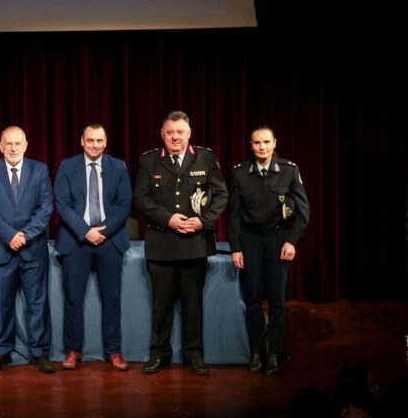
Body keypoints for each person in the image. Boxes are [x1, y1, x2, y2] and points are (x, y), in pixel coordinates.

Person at [134, 110, 228, 375]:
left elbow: (221, 195)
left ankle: (194, 354)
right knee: (161, 305)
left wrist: (203, 221)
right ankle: (159, 353)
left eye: (180, 132)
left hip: (194, 242)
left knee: (192, 305)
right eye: (170, 132)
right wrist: (168, 219)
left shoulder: (206, 157)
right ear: (162, 135)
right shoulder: (149, 160)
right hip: (162, 243)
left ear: (189, 134)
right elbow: (141, 198)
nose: (175, 137)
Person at [228, 125, 309, 375]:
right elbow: (234, 215)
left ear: (274, 143)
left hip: (278, 239)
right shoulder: (240, 173)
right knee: (252, 299)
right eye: (256, 143)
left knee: (276, 300)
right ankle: (255, 351)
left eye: (266, 142)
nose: (261, 147)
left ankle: (274, 351)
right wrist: (236, 248)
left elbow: (304, 213)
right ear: (250, 146)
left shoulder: (289, 170)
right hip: (250, 240)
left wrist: (291, 241)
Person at [54, 124, 133, 371]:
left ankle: (113, 351)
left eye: (99, 140)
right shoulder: (67, 166)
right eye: (90, 140)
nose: (95, 145)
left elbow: (124, 204)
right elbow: (63, 204)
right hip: (75, 241)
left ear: (106, 142)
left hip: (109, 241)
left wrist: (103, 231)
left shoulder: (118, 166)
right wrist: (86, 231)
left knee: (112, 300)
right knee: (73, 299)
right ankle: (73, 350)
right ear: (81, 141)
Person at [0, 126, 54, 373]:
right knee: (2, 304)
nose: (13, 148)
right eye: (8, 143)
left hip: (33, 250)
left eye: (17, 143)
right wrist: (10, 235)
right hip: (2, 249)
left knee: (37, 303)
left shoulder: (39, 170)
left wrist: (26, 235)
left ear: (25, 145)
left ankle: (39, 352)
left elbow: (46, 207)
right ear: (0, 146)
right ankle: (1, 352)